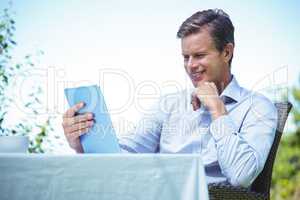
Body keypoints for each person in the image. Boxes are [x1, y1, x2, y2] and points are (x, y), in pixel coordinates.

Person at [62, 9, 278, 187]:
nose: (191, 65)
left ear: (227, 52)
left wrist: (217, 109)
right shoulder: (168, 105)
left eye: (200, 55)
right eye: (186, 57)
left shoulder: (258, 107)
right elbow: (125, 155)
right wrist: (82, 144)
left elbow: (241, 176)